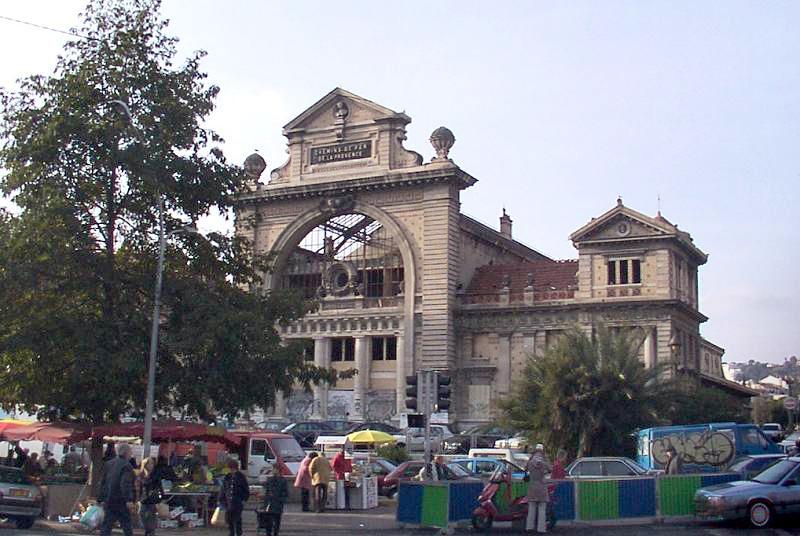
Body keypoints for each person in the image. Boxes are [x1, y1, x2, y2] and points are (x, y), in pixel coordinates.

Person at [98, 442, 135, 536]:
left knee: (107, 525)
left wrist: (100, 498)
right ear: (126, 452)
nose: (131, 454)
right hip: (121, 500)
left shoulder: (109, 464)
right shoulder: (127, 466)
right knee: (126, 525)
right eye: (130, 451)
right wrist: (129, 499)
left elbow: (103, 482)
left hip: (109, 499)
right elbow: (125, 483)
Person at [525, 444, 552, 534]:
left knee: (531, 508)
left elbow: (525, 469)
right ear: (542, 451)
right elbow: (550, 469)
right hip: (542, 486)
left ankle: (529, 527)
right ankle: (541, 529)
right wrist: (547, 459)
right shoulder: (544, 462)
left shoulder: (530, 462)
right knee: (542, 509)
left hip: (532, 486)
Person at [219, 458, 249, 536]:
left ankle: (239, 533)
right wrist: (222, 499)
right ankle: (231, 533)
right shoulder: (227, 477)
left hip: (238, 501)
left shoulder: (241, 476)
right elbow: (224, 489)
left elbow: (245, 489)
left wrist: (243, 500)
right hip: (228, 501)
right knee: (229, 520)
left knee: (237, 519)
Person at [137, 457, 163, 536]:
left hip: (153, 499)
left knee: (151, 517)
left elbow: (159, 486)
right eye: (149, 463)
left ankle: (150, 532)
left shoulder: (156, 474)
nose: (151, 465)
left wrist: (162, 498)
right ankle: (148, 531)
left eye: (152, 463)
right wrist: (137, 498)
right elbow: (140, 487)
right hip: (144, 499)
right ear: (145, 465)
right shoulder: (141, 474)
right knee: (142, 515)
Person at [260, 465, 288, 536]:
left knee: (277, 521)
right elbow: (266, 491)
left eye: (275, 469)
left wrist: (280, 500)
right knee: (268, 522)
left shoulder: (283, 480)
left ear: (279, 470)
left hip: (278, 504)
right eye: (273, 469)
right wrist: (265, 503)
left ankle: (276, 533)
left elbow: (285, 493)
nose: (273, 471)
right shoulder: (270, 479)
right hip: (269, 504)